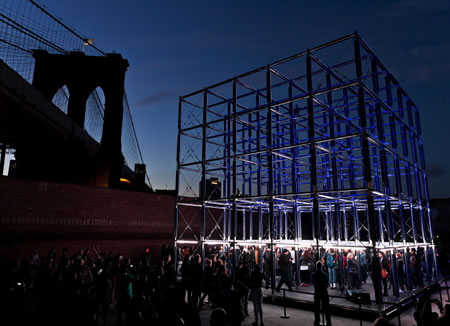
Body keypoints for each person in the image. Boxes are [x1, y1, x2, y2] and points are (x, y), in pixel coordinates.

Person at [312, 261, 332, 326]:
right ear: (321, 266)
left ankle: (317, 321)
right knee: (326, 308)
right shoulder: (325, 274)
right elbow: (326, 283)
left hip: (317, 291)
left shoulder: (313, 274)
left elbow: (313, 282)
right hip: (324, 291)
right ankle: (328, 322)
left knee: (316, 308)